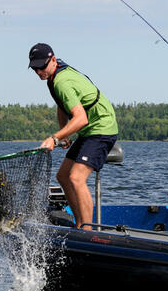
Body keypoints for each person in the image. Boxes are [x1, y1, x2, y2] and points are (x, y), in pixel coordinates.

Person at [28, 43, 118, 230]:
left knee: (76, 178)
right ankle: (79, 224)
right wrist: (64, 135)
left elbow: (81, 118)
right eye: (35, 68)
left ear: (53, 60)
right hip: (88, 130)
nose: (39, 72)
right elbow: (62, 108)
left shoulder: (62, 81)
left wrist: (54, 139)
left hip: (101, 127)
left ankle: (87, 230)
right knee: (63, 176)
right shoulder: (52, 78)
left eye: (42, 67)